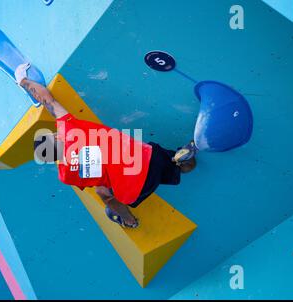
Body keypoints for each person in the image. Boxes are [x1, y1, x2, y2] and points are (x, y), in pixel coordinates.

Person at [15, 63, 196, 229]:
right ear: (54, 135)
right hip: (148, 159)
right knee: (172, 163)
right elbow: (48, 101)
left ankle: (129, 220)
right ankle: (183, 160)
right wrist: (23, 80)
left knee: (103, 192)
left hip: (135, 191)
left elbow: (90, 177)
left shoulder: (66, 174)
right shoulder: (69, 128)